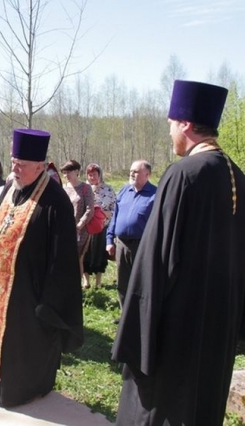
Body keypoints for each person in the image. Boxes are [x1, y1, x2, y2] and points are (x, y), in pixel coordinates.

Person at [112, 81, 245, 425]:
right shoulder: (238, 176)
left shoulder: (183, 174)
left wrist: (136, 338)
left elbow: (154, 262)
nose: (170, 132)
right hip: (218, 323)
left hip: (178, 327)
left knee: (162, 406)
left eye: (171, 124)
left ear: (185, 124)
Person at [0, 128, 83, 408]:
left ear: (40, 166)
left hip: (29, 294)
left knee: (22, 347)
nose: (14, 170)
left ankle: (20, 390)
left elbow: (63, 260)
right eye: (13, 162)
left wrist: (47, 303)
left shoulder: (55, 201)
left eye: (21, 165)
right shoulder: (12, 186)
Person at [106, 159, 156, 308]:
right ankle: (125, 315)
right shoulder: (124, 191)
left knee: (141, 283)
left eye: (136, 171)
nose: (132, 174)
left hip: (142, 246)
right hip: (121, 244)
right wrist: (109, 240)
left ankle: (140, 316)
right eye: (131, 171)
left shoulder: (155, 194)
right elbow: (115, 216)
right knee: (123, 282)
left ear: (147, 174)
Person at [60, 160, 94, 289]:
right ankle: (66, 286)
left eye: (69, 172)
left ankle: (76, 288)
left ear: (76, 172)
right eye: (64, 172)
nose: (66, 175)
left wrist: (79, 225)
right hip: (65, 229)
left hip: (81, 230)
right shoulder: (63, 188)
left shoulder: (85, 188)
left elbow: (90, 209)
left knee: (77, 258)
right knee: (66, 258)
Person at [82, 163, 116, 289]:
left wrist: (105, 213)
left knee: (100, 254)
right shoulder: (84, 189)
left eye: (94, 175)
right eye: (89, 175)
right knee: (86, 253)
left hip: (102, 227)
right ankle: (86, 281)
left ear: (100, 175)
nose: (92, 177)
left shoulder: (108, 190)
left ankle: (98, 282)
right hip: (86, 227)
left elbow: (115, 210)